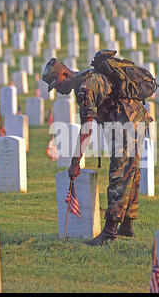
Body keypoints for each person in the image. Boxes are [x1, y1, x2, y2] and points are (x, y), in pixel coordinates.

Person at [42, 53, 153, 246]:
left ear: (65, 75)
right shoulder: (86, 77)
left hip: (126, 123)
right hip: (134, 119)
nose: (58, 91)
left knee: (119, 174)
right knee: (131, 172)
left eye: (57, 85)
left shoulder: (85, 87)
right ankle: (127, 225)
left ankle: (110, 231)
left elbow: (86, 128)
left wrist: (75, 162)